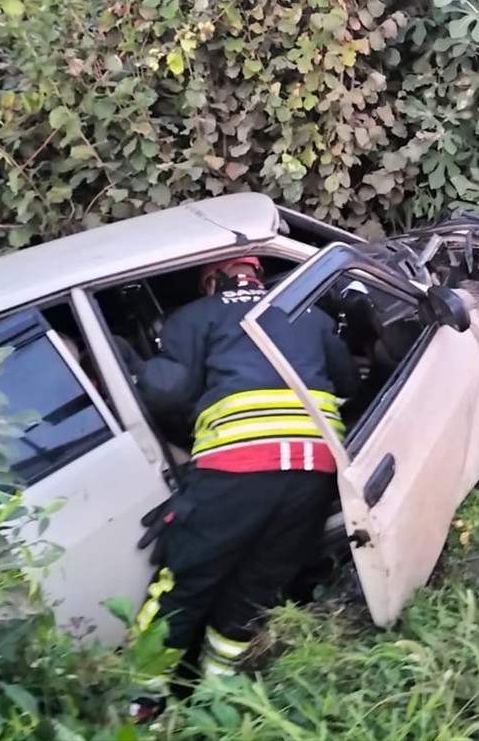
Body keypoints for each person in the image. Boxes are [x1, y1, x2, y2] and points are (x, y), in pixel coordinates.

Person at [118, 256, 361, 723]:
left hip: (237, 469)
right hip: (313, 474)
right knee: (257, 585)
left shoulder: (194, 316)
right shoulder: (308, 312)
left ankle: (140, 705)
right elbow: (349, 381)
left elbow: (168, 392)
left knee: (184, 584)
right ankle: (216, 695)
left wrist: (138, 369)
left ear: (211, 281)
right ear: (258, 272)